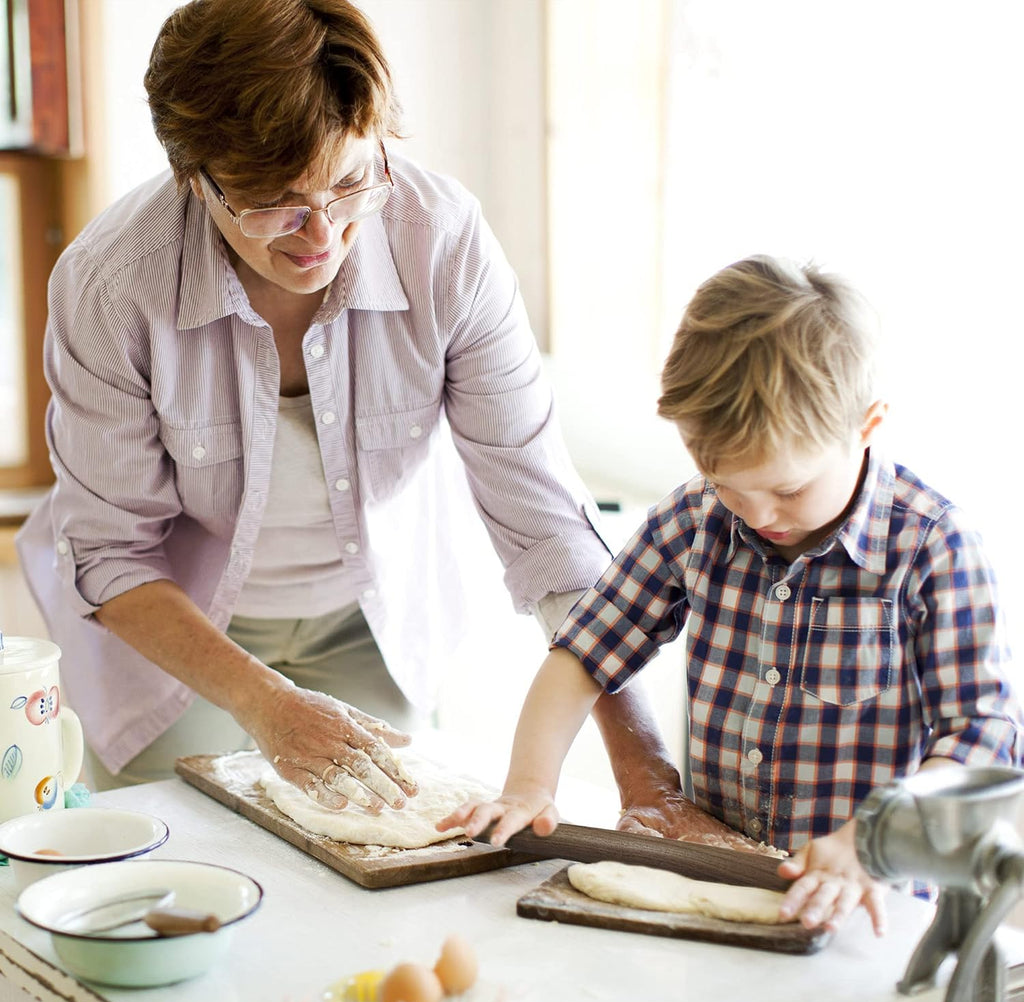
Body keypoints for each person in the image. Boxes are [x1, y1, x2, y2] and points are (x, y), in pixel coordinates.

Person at [15, 0, 640, 811]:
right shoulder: (112, 283)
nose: (322, 235)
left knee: (386, 849)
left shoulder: (443, 243)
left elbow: (548, 526)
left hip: (369, 621)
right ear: (193, 177)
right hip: (176, 633)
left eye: (349, 184)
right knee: (179, 852)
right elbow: (109, 551)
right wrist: (265, 703)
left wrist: (643, 767)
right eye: (275, 200)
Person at [440, 254, 1022, 934]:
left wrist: (872, 840)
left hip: (873, 911)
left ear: (866, 426)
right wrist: (530, 785)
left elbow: (983, 737)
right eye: (725, 483)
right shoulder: (695, 518)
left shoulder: (932, 547)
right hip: (718, 881)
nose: (758, 514)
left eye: (788, 489)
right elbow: (582, 656)